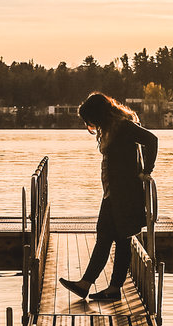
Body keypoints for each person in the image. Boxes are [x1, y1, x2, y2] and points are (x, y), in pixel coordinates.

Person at [60, 91, 158, 301]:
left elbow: (151, 140)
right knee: (119, 239)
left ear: (100, 114)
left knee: (107, 236)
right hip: (114, 192)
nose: (91, 124)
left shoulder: (123, 127)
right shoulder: (112, 128)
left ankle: (89, 284)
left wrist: (146, 171)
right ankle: (110, 288)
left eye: (91, 119)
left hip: (123, 194)